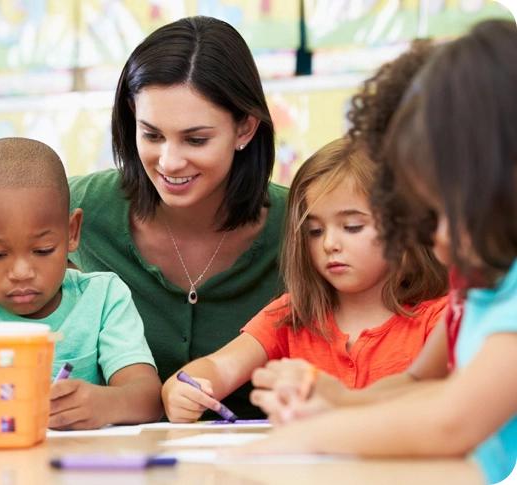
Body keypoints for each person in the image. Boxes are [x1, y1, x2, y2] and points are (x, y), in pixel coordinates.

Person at [235, 20, 517, 485]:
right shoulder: (482, 291)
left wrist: (319, 434)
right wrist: (338, 400)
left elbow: (452, 420)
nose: (435, 241)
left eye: (444, 214)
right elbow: (425, 386)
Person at [68, 16, 287, 419]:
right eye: (151, 134)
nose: (169, 161)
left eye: (196, 139)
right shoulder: (77, 208)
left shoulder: (305, 224)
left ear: (245, 128)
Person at [161, 138, 448, 422]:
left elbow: (446, 409)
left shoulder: (441, 319)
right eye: (314, 231)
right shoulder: (292, 314)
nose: (329, 244)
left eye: (352, 227)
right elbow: (219, 367)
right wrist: (181, 389)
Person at [249, 39, 457, 423]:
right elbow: (413, 382)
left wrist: (322, 424)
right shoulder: (470, 295)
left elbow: (452, 421)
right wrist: (335, 400)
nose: (416, 227)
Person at [0, 138, 163, 430]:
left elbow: (149, 398)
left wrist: (106, 404)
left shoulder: (102, 297)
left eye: (43, 250)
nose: (22, 272)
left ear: (72, 232)